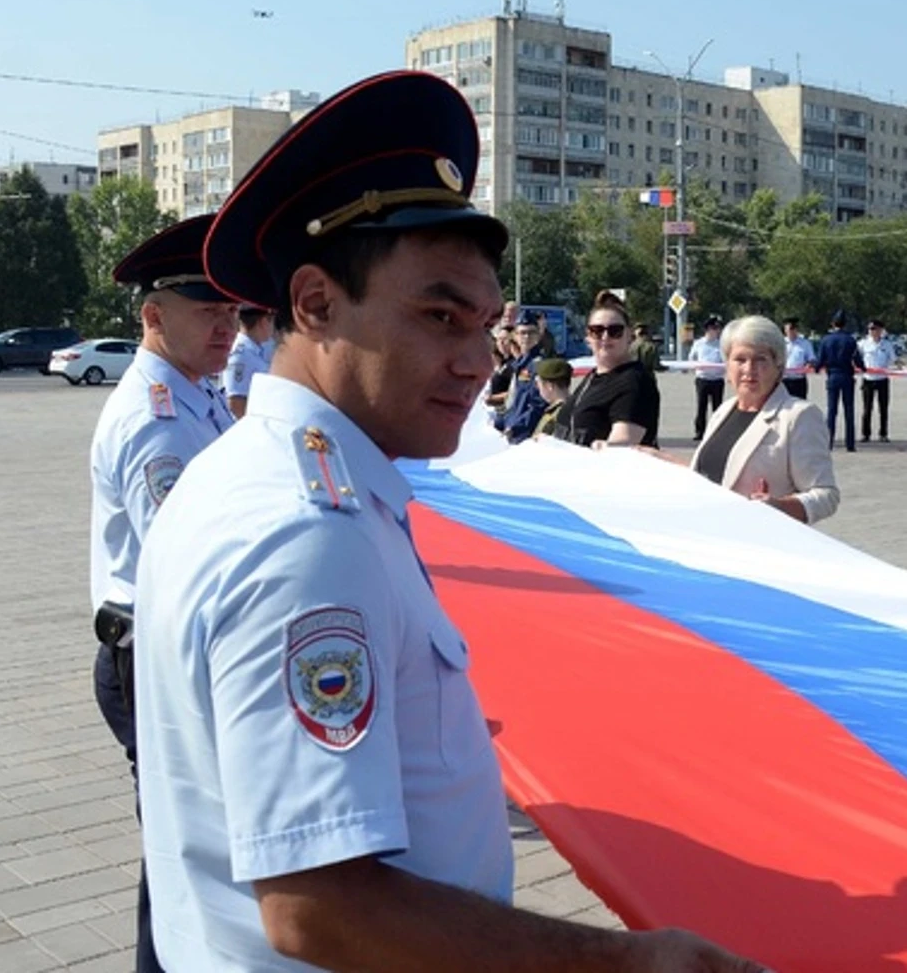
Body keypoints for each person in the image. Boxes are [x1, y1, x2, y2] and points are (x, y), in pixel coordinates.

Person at [131, 71, 755, 970]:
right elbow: (321, 909)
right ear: (314, 303)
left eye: (487, 324)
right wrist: (622, 963)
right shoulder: (308, 531)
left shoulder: (264, 473)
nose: (475, 362)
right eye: (438, 316)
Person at [88, 213, 239, 973]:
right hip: (150, 651)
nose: (228, 327)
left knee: (191, 841)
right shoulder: (158, 423)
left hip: (159, 645)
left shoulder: (194, 393)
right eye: (208, 312)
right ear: (154, 316)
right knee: (182, 847)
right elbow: (187, 560)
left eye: (232, 311)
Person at [689, 315, 840, 524]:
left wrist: (779, 507)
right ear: (727, 365)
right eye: (740, 359)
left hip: (761, 543)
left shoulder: (799, 416)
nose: (749, 369)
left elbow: (826, 495)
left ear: (778, 366)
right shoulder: (722, 411)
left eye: (760, 359)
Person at [564, 292, 661, 449]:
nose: (605, 337)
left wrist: (606, 447)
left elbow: (624, 443)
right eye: (597, 330)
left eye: (615, 331)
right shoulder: (593, 377)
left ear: (629, 335)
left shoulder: (634, 381)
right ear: (588, 337)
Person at [492, 313, 547, 443]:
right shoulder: (519, 364)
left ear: (538, 336)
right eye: (522, 333)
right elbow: (513, 401)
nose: (526, 337)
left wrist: (516, 428)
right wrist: (500, 421)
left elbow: (538, 405)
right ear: (515, 336)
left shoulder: (538, 365)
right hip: (510, 430)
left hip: (524, 435)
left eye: (531, 332)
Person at [815, 311, 862, 452]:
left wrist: (816, 368)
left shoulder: (826, 340)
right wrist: (863, 367)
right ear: (845, 324)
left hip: (833, 376)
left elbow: (821, 359)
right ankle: (850, 444)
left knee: (831, 411)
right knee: (849, 410)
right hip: (847, 376)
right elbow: (857, 359)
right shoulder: (850, 340)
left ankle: (828, 443)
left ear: (833, 324)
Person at [222, 306, 275, 419]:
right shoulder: (240, 356)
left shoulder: (255, 351)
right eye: (271, 321)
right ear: (263, 322)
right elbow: (235, 403)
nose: (272, 327)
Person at [688, 315, 726, 440]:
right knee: (701, 407)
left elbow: (725, 360)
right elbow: (692, 358)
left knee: (717, 407)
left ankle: (717, 431)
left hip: (717, 380)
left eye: (718, 328)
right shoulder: (698, 343)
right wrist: (694, 367)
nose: (717, 331)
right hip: (703, 379)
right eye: (715, 328)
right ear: (708, 329)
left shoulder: (721, 344)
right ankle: (700, 432)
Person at [858, 319, 897, 443]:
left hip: (882, 380)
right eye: (870, 329)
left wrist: (905, 367)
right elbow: (855, 358)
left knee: (883, 408)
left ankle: (883, 434)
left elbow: (894, 359)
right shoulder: (863, 344)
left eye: (874, 329)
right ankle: (865, 434)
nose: (872, 331)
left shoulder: (886, 344)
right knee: (867, 408)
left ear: (880, 330)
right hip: (868, 379)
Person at [532, 357, 575, 441]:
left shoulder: (558, 414)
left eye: (538, 383)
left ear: (549, 386)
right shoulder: (574, 406)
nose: (537, 388)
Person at [780, 318, 815, 400]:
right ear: (785, 330)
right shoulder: (780, 343)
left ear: (796, 329)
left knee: (800, 405)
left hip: (799, 380)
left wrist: (808, 365)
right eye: (788, 329)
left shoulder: (805, 343)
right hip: (784, 380)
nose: (791, 332)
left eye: (793, 329)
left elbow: (811, 359)